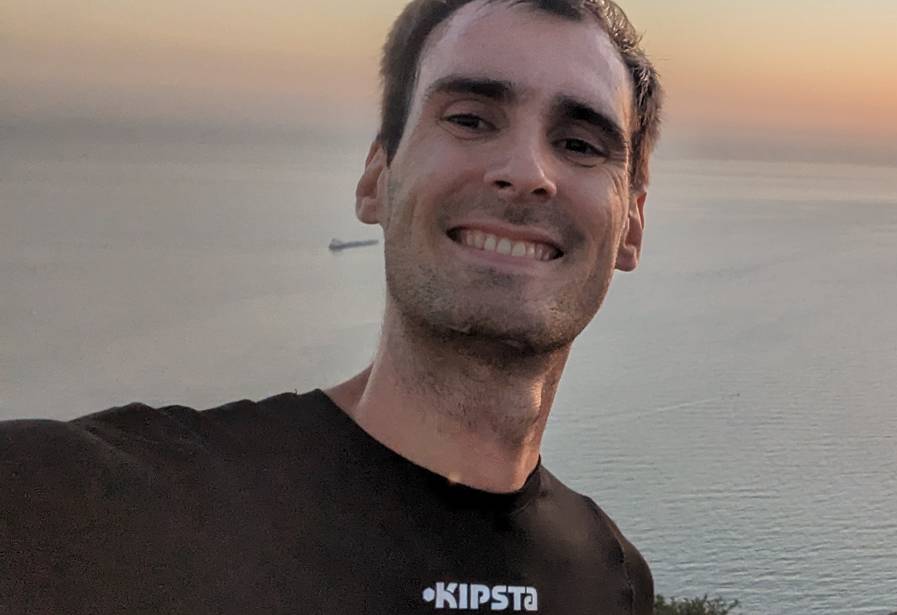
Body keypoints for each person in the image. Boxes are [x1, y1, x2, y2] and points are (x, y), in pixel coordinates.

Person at [0, 1, 663, 612]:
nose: (526, 171)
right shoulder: (72, 505)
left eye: (579, 143)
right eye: (469, 119)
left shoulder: (613, 578)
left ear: (631, 227)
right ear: (376, 178)